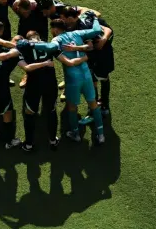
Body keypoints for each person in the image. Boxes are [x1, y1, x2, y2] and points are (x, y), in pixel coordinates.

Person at [17, 17, 105, 145]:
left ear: (55, 29)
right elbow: (96, 30)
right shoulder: (77, 33)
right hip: (86, 75)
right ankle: (101, 134)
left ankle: (75, 134)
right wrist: (95, 18)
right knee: (93, 104)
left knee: (72, 107)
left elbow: (51, 46)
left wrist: (31, 44)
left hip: (73, 79)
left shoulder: (57, 39)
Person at [61, 7, 114, 116]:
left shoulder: (83, 26)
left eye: (65, 18)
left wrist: (75, 48)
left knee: (103, 78)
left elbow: (91, 46)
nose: (64, 21)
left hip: (102, 55)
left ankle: (104, 106)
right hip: (94, 54)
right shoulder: (81, 19)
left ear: (73, 18)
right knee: (93, 80)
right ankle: (95, 107)